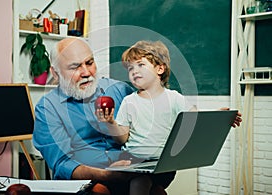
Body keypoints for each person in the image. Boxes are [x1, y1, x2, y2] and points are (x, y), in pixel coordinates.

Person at [96, 40, 242, 195]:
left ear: (160, 68)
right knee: (137, 181)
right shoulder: (129, 101)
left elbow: (195, 120)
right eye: (130, 68)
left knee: (141, 181)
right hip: (134, 162)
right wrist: (111, 122)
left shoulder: (174, 98)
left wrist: (218, 116)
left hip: (162, 164)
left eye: (140, 65)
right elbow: (122, 138)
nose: (134, 71)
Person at [32, 37, 168, 195]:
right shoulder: (47, 108)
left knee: (157, 191)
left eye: (89, 63)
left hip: (133, 174)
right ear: (55, 73)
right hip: (89, 181)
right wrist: (107, 174)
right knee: (99, 191)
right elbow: (63, 164)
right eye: (75, 67)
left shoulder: (120, 90)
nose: (86, 73)